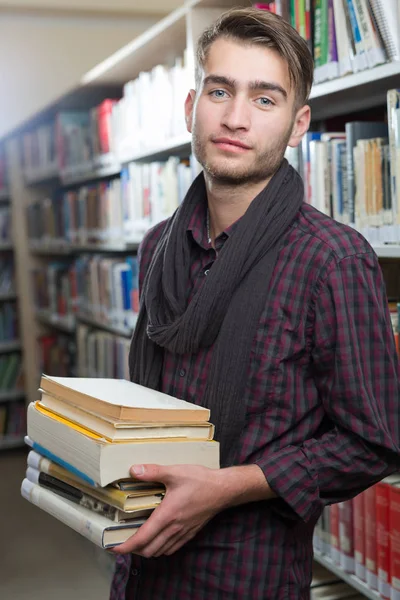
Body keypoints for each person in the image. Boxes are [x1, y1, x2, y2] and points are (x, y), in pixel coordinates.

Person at [110, 7, 400, 600]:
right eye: (221, 91)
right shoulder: (157, 245)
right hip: (138, 562)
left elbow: (375, 441)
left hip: (246, 577)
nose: (236, 117)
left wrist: (229, 485)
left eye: (265, 100)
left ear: (298, 124)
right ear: (192, 107)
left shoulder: (333, 261)